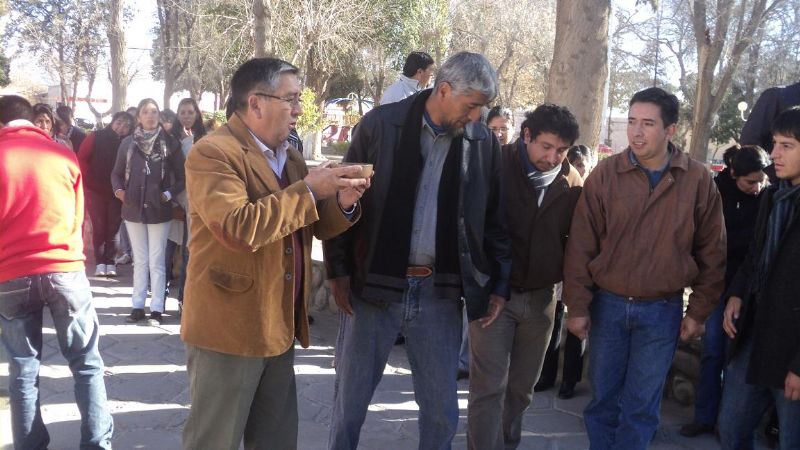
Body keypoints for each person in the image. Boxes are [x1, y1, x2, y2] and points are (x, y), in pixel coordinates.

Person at [323, 51, 511, 450]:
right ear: (443, 90)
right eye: (472, 105)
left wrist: (499, 284)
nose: (477, 117)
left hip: (439, 294)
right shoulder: (380, 125)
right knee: (349, 404)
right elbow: (340, 201)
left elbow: (494, 220)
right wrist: (337, 270)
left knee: (442, 412)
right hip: (373, 285)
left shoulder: (481, 144)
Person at [180, 57, 369, 450]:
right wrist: (311, 191)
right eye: (292, 99)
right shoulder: (213, 153)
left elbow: (309, 225)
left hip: (277, 325)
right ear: (256, 103)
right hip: (227, 330)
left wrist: (343, 203)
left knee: (277, 441)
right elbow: (238, 228)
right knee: (214, 441)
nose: (300, 109)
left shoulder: (291, 157)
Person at [562, 86, 726, 450]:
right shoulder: (605, 175)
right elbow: (580, 246)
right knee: (603, 400)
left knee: (642, 406)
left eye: (647, 124)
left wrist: (697, 312)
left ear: (671, 130)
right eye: (632, 121)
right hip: (609, 305)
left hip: (662, 311)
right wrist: (578, 307)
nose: (635, 132)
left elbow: (713, 254)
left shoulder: (697, 180)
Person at [0, 95, 113, 449]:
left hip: (11, 273)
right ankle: (96, 443)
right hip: (64, 267)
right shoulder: (63, 154)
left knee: (22, 368)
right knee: (86, 362)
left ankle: (30, 445)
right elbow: (79, 216)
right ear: (31, 120)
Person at [467, 104, 581, 449]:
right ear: (526, 135)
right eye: (546, 147)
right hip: (492, 297)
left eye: (561, 150)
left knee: (521, 391)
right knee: (488, 388)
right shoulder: (495, 163)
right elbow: (472, 228)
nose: (553, 157)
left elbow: (575, 242)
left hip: (543, 300)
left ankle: (507, 444)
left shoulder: (571, 181)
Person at [719, 106, 800, 450]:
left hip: (792, 350)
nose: (775, 154)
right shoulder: (772, 196)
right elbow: (755, 253)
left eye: (787, 145)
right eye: (775, 143)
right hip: (753, 335)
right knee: (732, 428)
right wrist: (737, 293)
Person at [679, 145, 770, 438]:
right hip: (720, 286)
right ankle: (706, 416)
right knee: (713, 353)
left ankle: (734, 422)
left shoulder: (771, 198)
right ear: (733, 174)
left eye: (761, 181)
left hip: (754, 290)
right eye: (750, 182)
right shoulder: (716, 195)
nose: (756, 188)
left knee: (739, 359)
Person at [111, 98, 185, 326]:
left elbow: (182, 177)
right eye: (146, 112)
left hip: (159, 210)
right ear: (139, 117)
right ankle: (137, 305)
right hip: (132, 210)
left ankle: (157, 308)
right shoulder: (128, 144)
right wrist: (120, 192)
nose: (150, 116)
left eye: (154, 112)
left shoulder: (170, 144)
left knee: (157, 260)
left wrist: (168, 195)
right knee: (140, 259)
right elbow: (115, 174)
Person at [535, 144, 594, 400]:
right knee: (554, 319)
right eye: (576, 164)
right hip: (559, 263)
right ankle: (546, 375)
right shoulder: (560, 184)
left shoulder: (594, 190)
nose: (579, 169)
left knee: (577, 322)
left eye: (583, 165)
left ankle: (570, 379)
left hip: (584, 265)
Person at [78, 111, 136, 277]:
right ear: (112, 122)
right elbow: (82, 158)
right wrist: (88, 180)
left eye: (126, 125)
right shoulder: (96, 136)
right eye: (119, 122)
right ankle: (100, 262)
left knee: (113, 228)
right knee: (99, 226)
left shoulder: (129, 142)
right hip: (95, 190)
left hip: (117, 193)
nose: (121, 127)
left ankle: (110, 261)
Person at [165, 97, 207, 307]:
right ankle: (159, 299)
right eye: (182, 112)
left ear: (197, 114)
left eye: (190, 112)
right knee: (168, 248)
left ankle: (184, 299)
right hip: (174, 197)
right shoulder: (169, 138)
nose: (187, 116)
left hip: (195, 199)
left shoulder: (204, 138)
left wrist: (190, 143)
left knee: (189, 249)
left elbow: (198, 168)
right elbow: (171, 169)